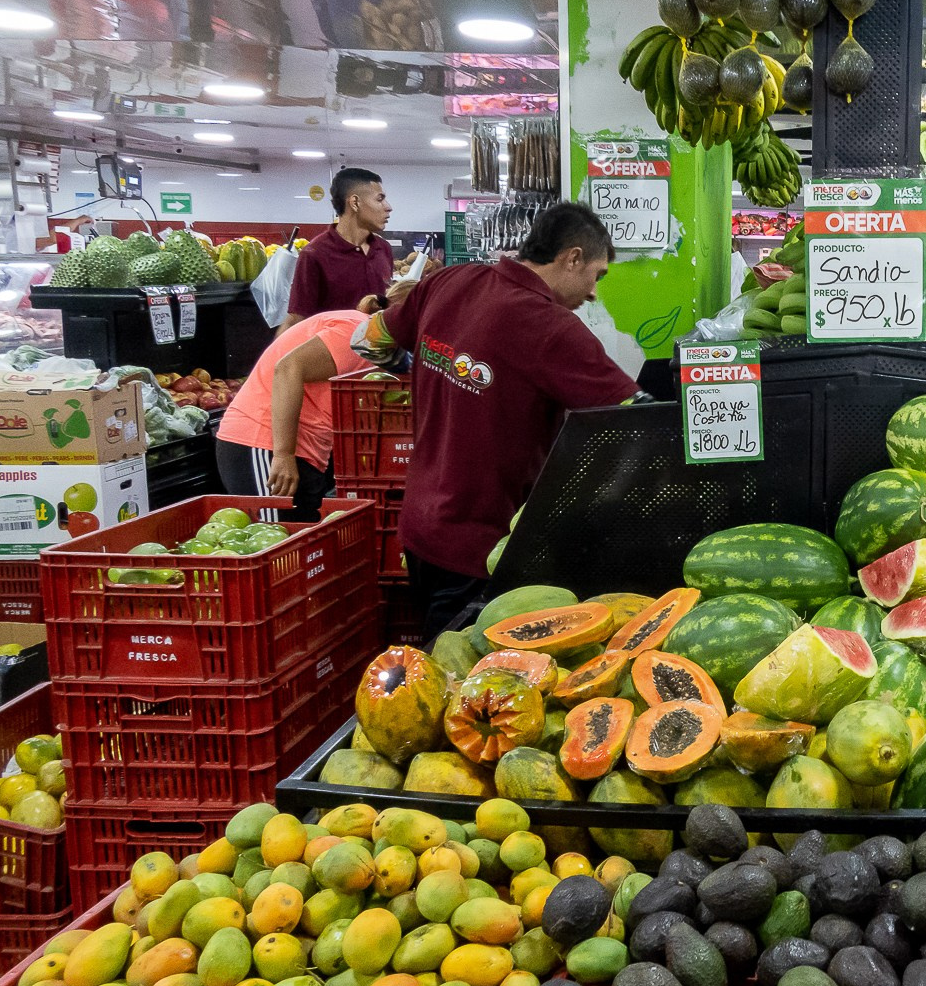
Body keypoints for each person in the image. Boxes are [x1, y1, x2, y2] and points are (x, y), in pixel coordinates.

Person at [353, 201, 646, 638]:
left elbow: (366, 340)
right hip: (482, 548)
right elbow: (637, 419)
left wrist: (422, 362)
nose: (592, 293)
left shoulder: (453, 280)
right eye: (597, 276)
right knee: (464, 682)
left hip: (418, 527)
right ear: (572, 257)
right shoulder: (552, 327)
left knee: (437, 661)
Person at [215, 285, 410, 519]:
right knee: (280, 545)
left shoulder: (385, 351)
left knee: (303, 546)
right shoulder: (358, 332)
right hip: (261, 442)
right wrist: (283, 455)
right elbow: (288, 368)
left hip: (306, 451)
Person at [283, 168, 395, 330]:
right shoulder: (314, 254)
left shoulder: (383, 249)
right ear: (355, 203)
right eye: (380, 199)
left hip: (377, 350)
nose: (388, 207)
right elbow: (297, 318)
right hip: (334, 352)